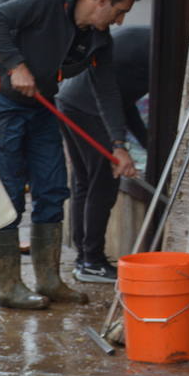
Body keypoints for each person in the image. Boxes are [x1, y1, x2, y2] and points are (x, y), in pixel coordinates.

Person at [0, 0, 142, 309]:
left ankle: (49, 281)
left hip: (42, 108)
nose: (121, 21)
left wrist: (119, 146)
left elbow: (108, 92)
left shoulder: (98, 40)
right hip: (4, 105)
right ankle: (10, 287)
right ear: (102, 0)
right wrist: (15, 65)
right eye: (119, 11)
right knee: (10, 193)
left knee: (53, 189)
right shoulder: (47, 2)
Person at [56, 25, 151, 282]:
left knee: (84, 182)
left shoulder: (144, 40)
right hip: (88, 108)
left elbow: (125, 101)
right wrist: (118, 144)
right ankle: (92, 261)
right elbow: (111, 99)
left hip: (70, 101)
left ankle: (84, 257)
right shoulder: (156, 48)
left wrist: (146, 143)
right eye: (120, 11)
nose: (121, 20)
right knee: (103, 183)